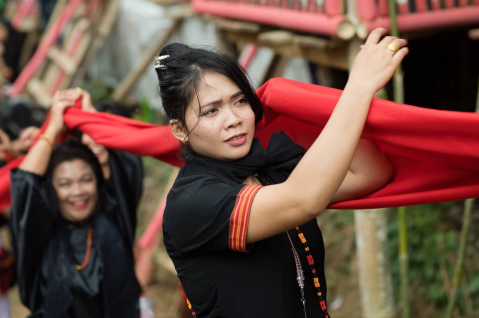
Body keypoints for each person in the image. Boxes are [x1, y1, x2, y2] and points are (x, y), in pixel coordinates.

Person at [156, 27, 408, 317]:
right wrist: (358, 89)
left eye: (239, 101)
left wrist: (326, 106)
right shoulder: (192, 202)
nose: (234, 119)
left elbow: (371, 173)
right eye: (211, 111)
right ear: (179, 129)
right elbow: (303, 199)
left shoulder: (271, 167)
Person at [10, 90, 143, 318]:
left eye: (86, 179)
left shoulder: (115, 214)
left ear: (98, 182)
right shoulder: (38, 234)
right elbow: (24, 185)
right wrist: (53, 128)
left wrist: (90, 115)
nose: (78, 192)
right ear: (51, 189)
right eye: (65, 183)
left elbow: (127, 163)